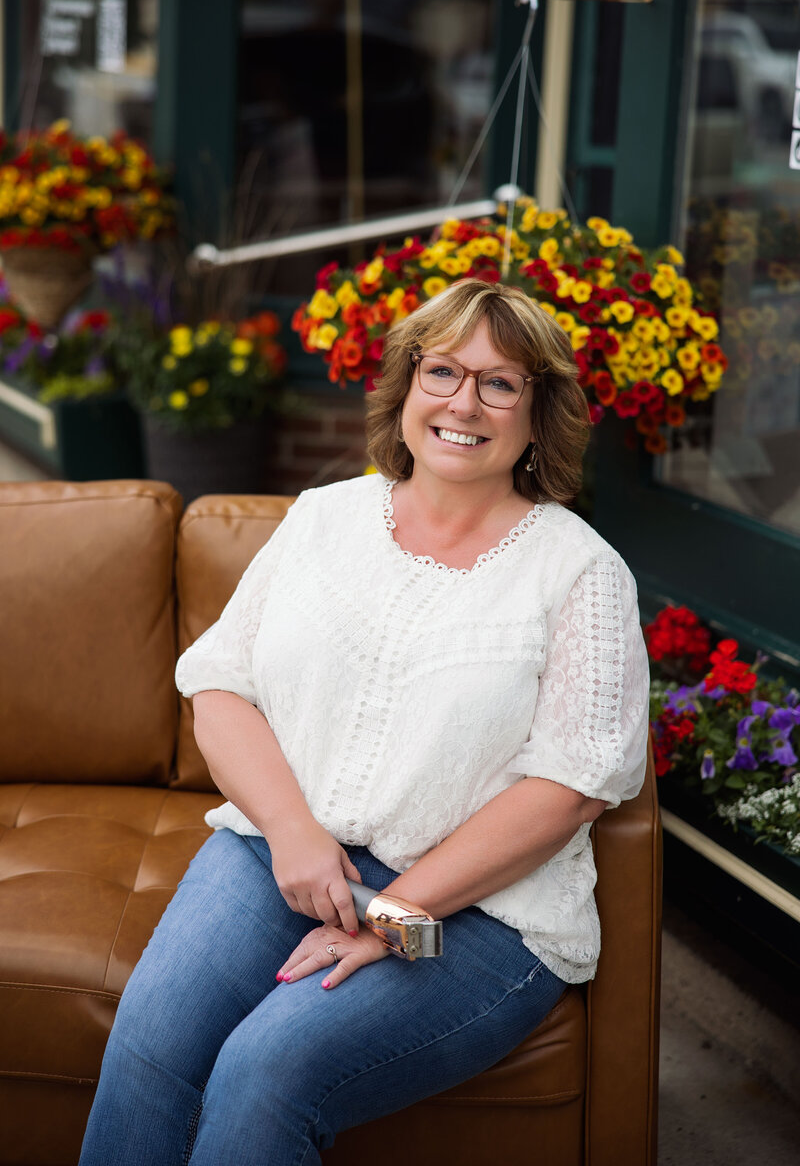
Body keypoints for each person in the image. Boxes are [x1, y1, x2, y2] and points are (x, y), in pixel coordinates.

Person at [79, 278, 650, 1165]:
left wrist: (396, 913)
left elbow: (572, 787)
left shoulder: (582, 573)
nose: (464, 402)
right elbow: (220, 687)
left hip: (485, 914)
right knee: (151, 1041)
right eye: (443, 371)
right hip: (283, 857)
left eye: (500, 383)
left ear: (540, 416)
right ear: (407, 385)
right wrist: (292, 833)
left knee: (267, 1070)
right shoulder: (323, 518)